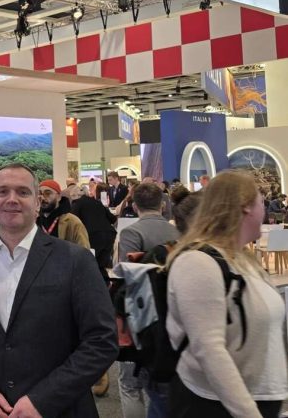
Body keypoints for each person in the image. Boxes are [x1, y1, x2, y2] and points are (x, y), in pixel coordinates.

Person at [0, 163, 118, 418]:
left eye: (23, 192)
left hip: (62, 410)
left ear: (38, 203)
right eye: (2, 192)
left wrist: (43, 400)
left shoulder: (75, 260)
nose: (12, 199)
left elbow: (102, 341)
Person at [167, 171, 287, 418]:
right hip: (216, 406)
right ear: (245, 208)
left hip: (258, 400)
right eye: (260, 202)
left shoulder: (244, 260)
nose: (264, 211)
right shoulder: (197, 262)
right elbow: (209, 349)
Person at [117, 182, 180, 418]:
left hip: (140, 318)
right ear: (162, 205)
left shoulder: (131, 233)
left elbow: (127, 274)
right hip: (173, 315)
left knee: (129, 384)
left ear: (134, 206)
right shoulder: (178, 233)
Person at [72, 183, 117, 283]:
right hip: (109, 235)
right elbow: (113, 218)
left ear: (75, 196)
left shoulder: (77, 204)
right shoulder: (97, 202)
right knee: (102, 266)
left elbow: (73, 221)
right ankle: (106, 287)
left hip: (93, 236)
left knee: (92, 265)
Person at [36, 179, 90, 248]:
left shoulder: (72, 222)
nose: (43, 198)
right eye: (40, 194)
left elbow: (84, 250)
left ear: (59, 197)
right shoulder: (34, 221)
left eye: (48, 193)